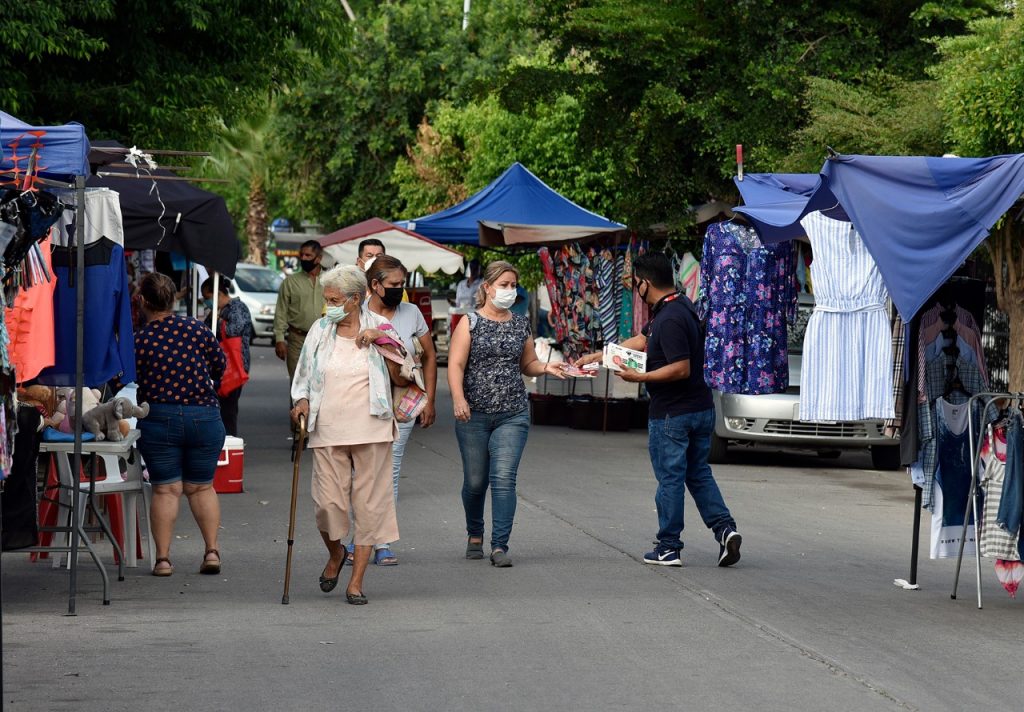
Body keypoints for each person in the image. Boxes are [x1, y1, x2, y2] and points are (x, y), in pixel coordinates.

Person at [575, 253, 742, 568]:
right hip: (700, 408)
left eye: (634, 282)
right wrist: (600, 356)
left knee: (670, 479)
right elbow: (640, 339)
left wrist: (641, 377)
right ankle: (725, 530)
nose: (634, 286)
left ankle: (669, 547)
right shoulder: (677, 307)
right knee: (697, 473)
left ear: (644, 283)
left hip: (673, 414)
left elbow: (680, 368)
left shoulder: (670, 319)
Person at [290, 264, 405, 605]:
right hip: (327, 428)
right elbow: (304, 375)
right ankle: (337, 553)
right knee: (328, 505)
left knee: (369, 507)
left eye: (335, 299)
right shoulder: (320, 330)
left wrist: (381, 340)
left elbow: (404, 371)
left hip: (372, 426)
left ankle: (356, 582)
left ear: (356, 299)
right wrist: (301, 401)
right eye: (327, 299)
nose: (329, 306)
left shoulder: (380, 326)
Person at [448, 260, 565, 567]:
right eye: (504, 285)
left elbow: (528, 364)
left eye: (513, 285)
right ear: (487, 288)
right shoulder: (469, 322)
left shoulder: (520, 323)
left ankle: (500, 546)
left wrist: (546, 366)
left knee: (503, 478)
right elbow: (456, 365)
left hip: (513, 412)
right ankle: (475, 533)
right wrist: (458, 399)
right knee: (475, 481)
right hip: (473, 413)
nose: (510, 291)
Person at [133, 273, 227, 577]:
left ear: (143, 301)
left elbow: (124, 377)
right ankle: (211, 551)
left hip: (159, 417)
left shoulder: (141, 339)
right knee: (201, 487)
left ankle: (162, 560)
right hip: (204, 415)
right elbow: (220, 365)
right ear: (174, 298)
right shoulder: (197, 329)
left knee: (166, 489)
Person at [365, 256, 438, 566]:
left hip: (403, 401)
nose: (399, 290)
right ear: (375, 285)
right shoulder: (359, 314)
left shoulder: (411, 313)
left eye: (402, 284)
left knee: (389, 474)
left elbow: (430, 355)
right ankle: (359, 540)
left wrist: (430, 400)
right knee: (363, 474)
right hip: (364, 403)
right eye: (393, 285)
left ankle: (382, 542)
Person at [201, 276, 252, 437]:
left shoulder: (237, 308)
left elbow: (233, 330)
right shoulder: (216, 311)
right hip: (219, 367)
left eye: (207, 297)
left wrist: (219, 320)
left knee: (229, 409)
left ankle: (230, 442)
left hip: (234, 366)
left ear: (218, 293)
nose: (206, 302)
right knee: (220, 408)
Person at [274, 240, 326, 382]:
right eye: (301, 255)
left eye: (308, 255)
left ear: (319, 258)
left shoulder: (330, 280)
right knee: (297, 383)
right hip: (297, 340)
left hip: (324, 339)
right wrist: (279, 339)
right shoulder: (290, 282)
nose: (303, 258)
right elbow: (281, 311)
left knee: (321, 383)